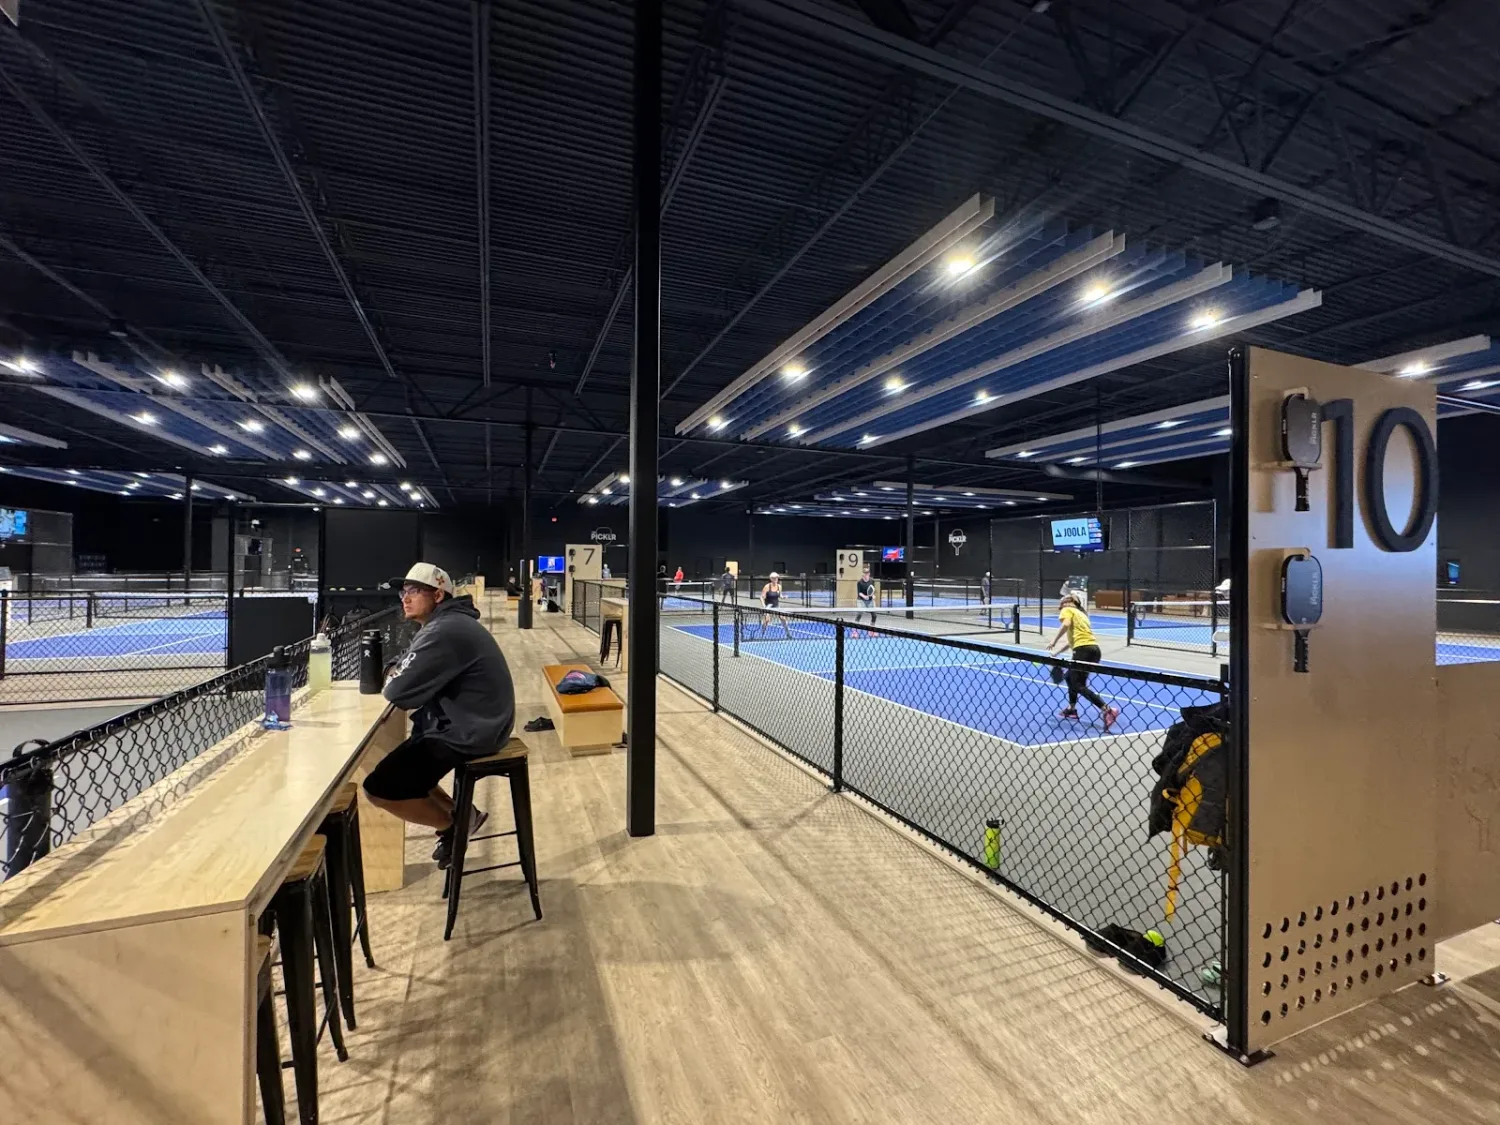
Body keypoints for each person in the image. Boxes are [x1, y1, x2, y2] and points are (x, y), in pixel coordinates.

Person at [362, 563, 516, 869]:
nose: (405, 598)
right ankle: (465, 816)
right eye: (403, 592)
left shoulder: (444, 630)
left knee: (379, 788)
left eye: (414, 591)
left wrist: (396, 672)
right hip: (477, 723)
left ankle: (452, 826)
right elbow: (403, 666)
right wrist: (397, 670)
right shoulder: (445, 625)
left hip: (472, 730)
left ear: (438, 595)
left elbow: (397, 690)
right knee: (407, 763)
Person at [1048, 591, 1119, 730]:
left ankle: (1107, 710)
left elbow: (1066, 624)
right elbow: (1072, 641)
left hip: (1083, 651)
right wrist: (1056, 652)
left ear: (1067, 603)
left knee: (1078, 684)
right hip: (1094, 650)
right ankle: (1072, 709)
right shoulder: (1082, 615)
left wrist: (1054, 640)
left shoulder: (1068, 610)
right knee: (1069, 677)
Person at [759, 571, 792, 638]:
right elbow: (761, 597)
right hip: (768, 606)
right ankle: (762, 634)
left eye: (776, 578)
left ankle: (788, 634)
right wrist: (764, 606)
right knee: (767, 620)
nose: (775, 579)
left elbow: (780, 595)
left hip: (776, 606)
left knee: (783, 618)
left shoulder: (779, 586)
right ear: (771, 579)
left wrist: (783, 597)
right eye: (774, 578)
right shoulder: (767, 586)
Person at [855, 566, 876, 632]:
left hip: (870, 601)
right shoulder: (859, 582)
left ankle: (872, 630)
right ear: (863, 574)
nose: (866, 574)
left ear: (869, 574)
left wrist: (873, 596)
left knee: (874, 615)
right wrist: (864, 596)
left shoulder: (872, 581)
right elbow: (859, 593)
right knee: (859, 613)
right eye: (865, 573)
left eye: (867, 573)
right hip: (861, 600)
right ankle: (855, 631)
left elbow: (872, 590)